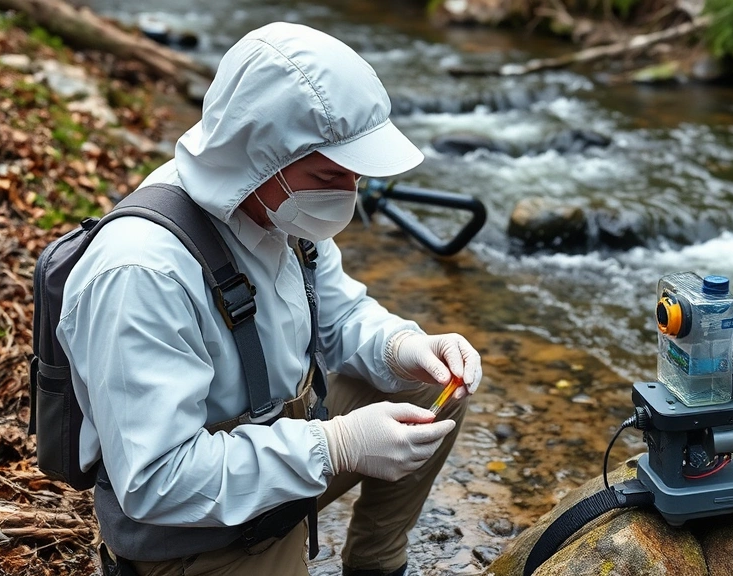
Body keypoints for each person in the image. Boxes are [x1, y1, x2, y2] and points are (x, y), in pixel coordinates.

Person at [57, 22, 481, 576]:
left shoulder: (284, 210)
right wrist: (339, 446)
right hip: (192, 537)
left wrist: (404, 346)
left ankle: (377, 564)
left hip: (277, 462)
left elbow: (340, 314)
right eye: (332, 173)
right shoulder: (141, 272)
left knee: (433, 386)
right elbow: (157, 481)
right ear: (262, 154)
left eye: (357, 173)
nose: (350, 192)